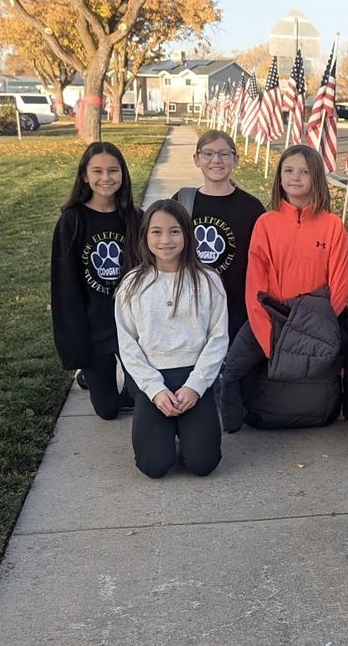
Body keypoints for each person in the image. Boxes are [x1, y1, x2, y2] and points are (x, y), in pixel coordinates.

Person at [221, 144, 348, 433]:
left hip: (315, 322)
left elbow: (340, 286)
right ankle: (230, 423)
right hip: (272, 318)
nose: (295, 177)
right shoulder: (266, 223)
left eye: (304, 172)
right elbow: (255, 285)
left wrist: (313, 329)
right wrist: (271, 342)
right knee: (234, 366)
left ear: (316, 178)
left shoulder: (332, 225)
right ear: (279, 177)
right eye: (289, 170)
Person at [115, 200, 227, 478]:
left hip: (194, 378)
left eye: (174, 231)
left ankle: (188, 431)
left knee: (203, 464)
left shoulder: (208, 280)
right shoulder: (131, 284)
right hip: (153, 380)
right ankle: (165, 433)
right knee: (154, 466)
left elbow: (218, 337)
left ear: (187, 234)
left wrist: (196, 386)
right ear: (145, 236)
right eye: (156, 232)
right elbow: (127, 344)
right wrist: (154, 389)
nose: (165, 240)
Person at [51, 141, 142, 420]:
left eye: (113, 170)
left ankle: (128, 386)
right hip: (94, 326)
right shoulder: (72, 221)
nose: (106, 178)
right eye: (97, 171)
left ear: (123, 173)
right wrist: (75, 339)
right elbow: (65, 284)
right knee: (108, 410)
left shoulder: (136, 218)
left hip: (131, 325)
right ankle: (89, 376)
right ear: (84, 176)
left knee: (141, 396)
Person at [173, 129, 265, 343]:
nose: (216, 160)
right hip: (191, 306)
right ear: (196, 159)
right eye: (208, 153)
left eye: (224, 154)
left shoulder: (251, 208)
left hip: (235, 309)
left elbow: (262, 261)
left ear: (236, 159)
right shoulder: (182, 201)